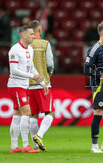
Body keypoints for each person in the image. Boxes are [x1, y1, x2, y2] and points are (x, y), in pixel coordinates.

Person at [8, 26, 48, 153]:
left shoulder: (30, 49)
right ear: (23, 35)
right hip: (16, 85)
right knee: (27, 113)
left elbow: (31, 67)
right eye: (31, 34)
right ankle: (26, 145)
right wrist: (32, 76)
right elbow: (14, 70)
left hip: (24, 86)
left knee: (17, 114)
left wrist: (42, 83)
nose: (33, 36)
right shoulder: (15, 50)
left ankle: (14, 147)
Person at [84, 21, 103, 153]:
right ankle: (94, 145)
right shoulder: (95, 48)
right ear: (102, 33)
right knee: (99, 112)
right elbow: (86, 68)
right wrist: (99, 75)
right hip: (99, 86)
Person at [28, 20, 54, 152]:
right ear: (39, 30)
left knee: (33, 115)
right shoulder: (45, 44)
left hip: (28, 84)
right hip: (43, 84)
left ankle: (35, 146)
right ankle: (39, 136)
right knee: (49, 113)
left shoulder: (25, 45)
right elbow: (50, 63)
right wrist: (49, 73)